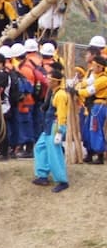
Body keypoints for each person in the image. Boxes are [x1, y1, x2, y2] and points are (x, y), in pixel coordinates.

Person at [32, 63, 70, 192]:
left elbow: (62, 115)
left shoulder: (60, 95)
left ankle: (62, 180)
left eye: (49, 79)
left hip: (55, 126)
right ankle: (42, 175)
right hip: (48, 126)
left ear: (55, 81)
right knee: (40, 147)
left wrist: (60, 131)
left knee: (55, 154)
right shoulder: (54, 92)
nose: (47, 81)